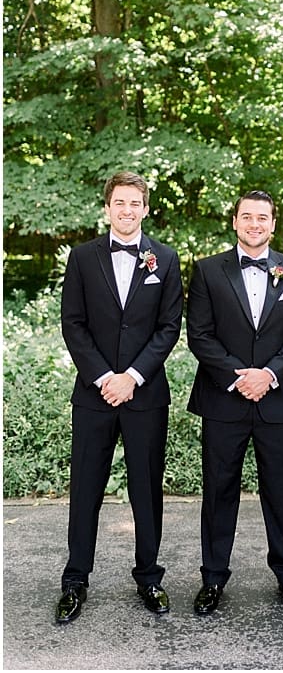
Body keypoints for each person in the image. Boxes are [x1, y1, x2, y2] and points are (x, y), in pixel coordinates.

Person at [56, 171, 183, 623]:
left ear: (146, 208)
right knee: (86, 488)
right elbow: (73, 323)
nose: (127, 210)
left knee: (146, 489)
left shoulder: (164, 259)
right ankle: (75, 581)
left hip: (145, 395)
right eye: (119, 203)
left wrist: (131, 376)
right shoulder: (83, 257)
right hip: (93, 395)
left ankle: (149, 576)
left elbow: (169, 327)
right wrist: (103, 377)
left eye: (135, 203)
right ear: (107, 207)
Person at [185, 189, 283, 615]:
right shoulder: (207, 271)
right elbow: (199, 335)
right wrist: (239, 378)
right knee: (219, 492)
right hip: (224, 401)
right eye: (247, 217)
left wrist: (269, 375)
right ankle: (213, 579)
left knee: (281, 494)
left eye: (263, 217)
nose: (255, 224)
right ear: (235, 222)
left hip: (278, 401)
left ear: (273, 224)